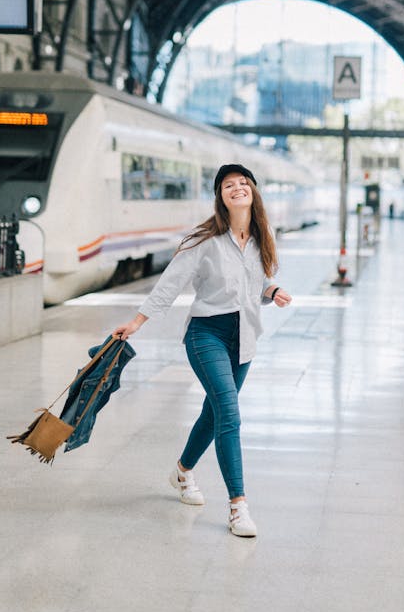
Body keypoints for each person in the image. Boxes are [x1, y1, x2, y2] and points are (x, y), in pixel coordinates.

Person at [113, 163, 292, 537]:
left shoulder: (262, 237)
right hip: (206, 334)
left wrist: (271, 291)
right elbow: (170, 283)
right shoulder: (204, 239)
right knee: (229, 412)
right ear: (220, 196)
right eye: (229, 185)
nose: (238, 188)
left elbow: (254, 283)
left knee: (213, 415)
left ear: (254, 192)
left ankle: (181, 471)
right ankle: (238, 506)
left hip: (243, 338)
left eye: (244, 183)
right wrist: (137, 323)